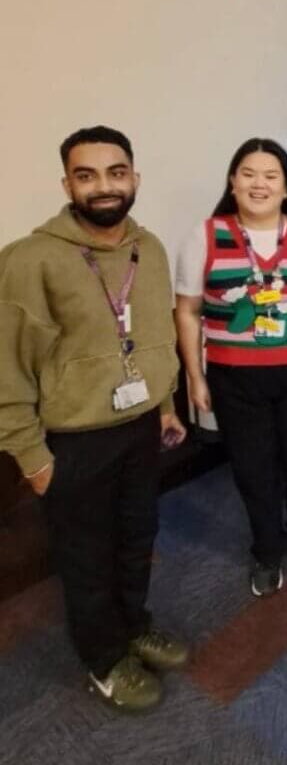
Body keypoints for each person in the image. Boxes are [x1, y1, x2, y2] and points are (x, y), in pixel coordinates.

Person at [0, 127, 188, 712]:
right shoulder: (29, 260)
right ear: (67, 184)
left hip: (138, 431)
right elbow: (7, 370)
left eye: (116, 172)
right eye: (87, 175)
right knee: (86, 558)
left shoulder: (148, 249)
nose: (104, 186)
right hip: (73, 441)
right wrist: (33, 461)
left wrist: (163, 406)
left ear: (134, 178)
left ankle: (133, 627)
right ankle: (104, 661)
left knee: (136, 541)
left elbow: (153, 337)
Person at [175, 138, 287, 597]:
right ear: (232, 181)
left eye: (271, 175)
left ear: (286, 187)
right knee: (253, 468)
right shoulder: (205, 235)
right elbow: (187, 310)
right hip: (234, 379)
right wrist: (194, 375)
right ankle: (266, 549)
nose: (258, 184)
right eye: (248, 173)